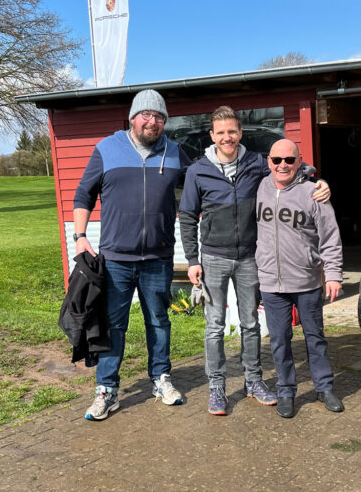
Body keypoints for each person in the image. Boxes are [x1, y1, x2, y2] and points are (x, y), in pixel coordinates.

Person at [179, 107, 329, 415]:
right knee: (215, 326)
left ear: (240, 132)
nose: (227, 137)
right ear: (212, 135)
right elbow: (187, 216)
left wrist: (319, 180)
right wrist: (193, 258)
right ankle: (217, 388)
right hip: (213, 257)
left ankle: (253, 382)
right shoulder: (198, 170)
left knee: (250, 323)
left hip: (249, 257)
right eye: (220, 132)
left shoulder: (256, 163)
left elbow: (289, 167)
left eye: (232, 131)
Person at [73, 89, 191, 420]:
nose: (153, 122)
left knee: (158, 321)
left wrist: (300, 172)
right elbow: (84, 193)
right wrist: (80, 237)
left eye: (159, 117)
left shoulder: (175, 152)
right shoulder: (107, 149)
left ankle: (161, 378)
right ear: (133, 118)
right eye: (147, 115)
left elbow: (206, 179)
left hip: (158, 257)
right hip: (116, 260)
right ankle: (107, 390)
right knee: (113, 325)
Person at [255, 138, 344, 419]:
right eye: (277, 160)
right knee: (279, 340)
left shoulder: (313, 192)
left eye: (289, 160)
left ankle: (324, 387)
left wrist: (333, 274)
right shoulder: (259, 187)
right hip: (271, 282)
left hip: (306, 280)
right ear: (268, 161)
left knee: (315, 338)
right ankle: (285, 391)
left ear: (300, 161)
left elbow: (330, 236)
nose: (283, 165)